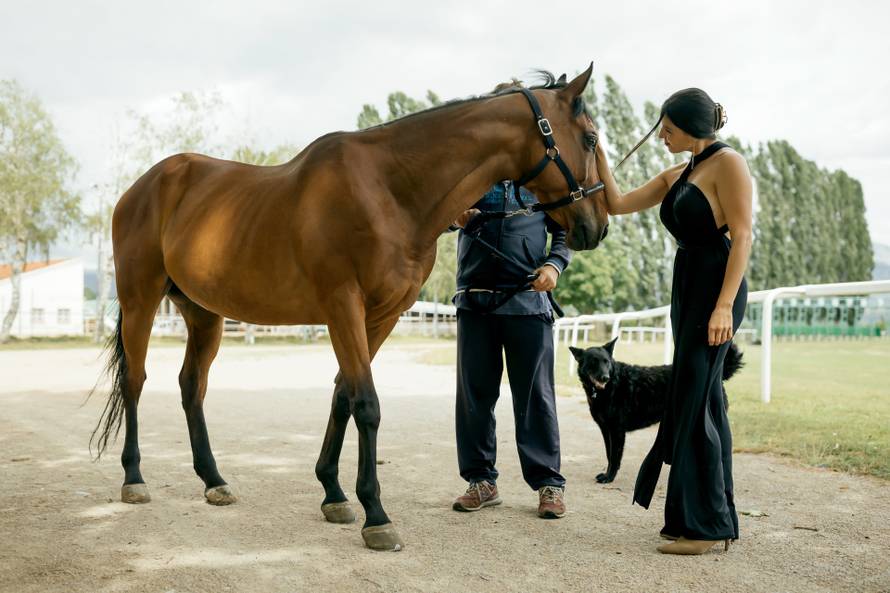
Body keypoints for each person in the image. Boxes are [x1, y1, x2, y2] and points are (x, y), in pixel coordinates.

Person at [595, 88, 753, 554]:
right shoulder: (678, 173)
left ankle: (702, 529)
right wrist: (597, 151)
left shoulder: (729, 164)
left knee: (693, 401)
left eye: (667, 126)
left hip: (717, 287)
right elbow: (617, 203)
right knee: (705, 401)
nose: (661, 134)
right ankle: (714, 518)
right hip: (687, 289)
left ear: (691, 126)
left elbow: (742, 236)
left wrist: (724, 305)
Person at [450, 173, 572, 519]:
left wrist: (554, 265)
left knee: (536, 398)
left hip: (529, 305)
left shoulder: (542, 182)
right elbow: (438, 216)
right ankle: (481, 481)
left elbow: (565, 231)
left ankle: (549, 483)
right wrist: (454, 216)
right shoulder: (472, 177)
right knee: (474, 398)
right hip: (475, 303)